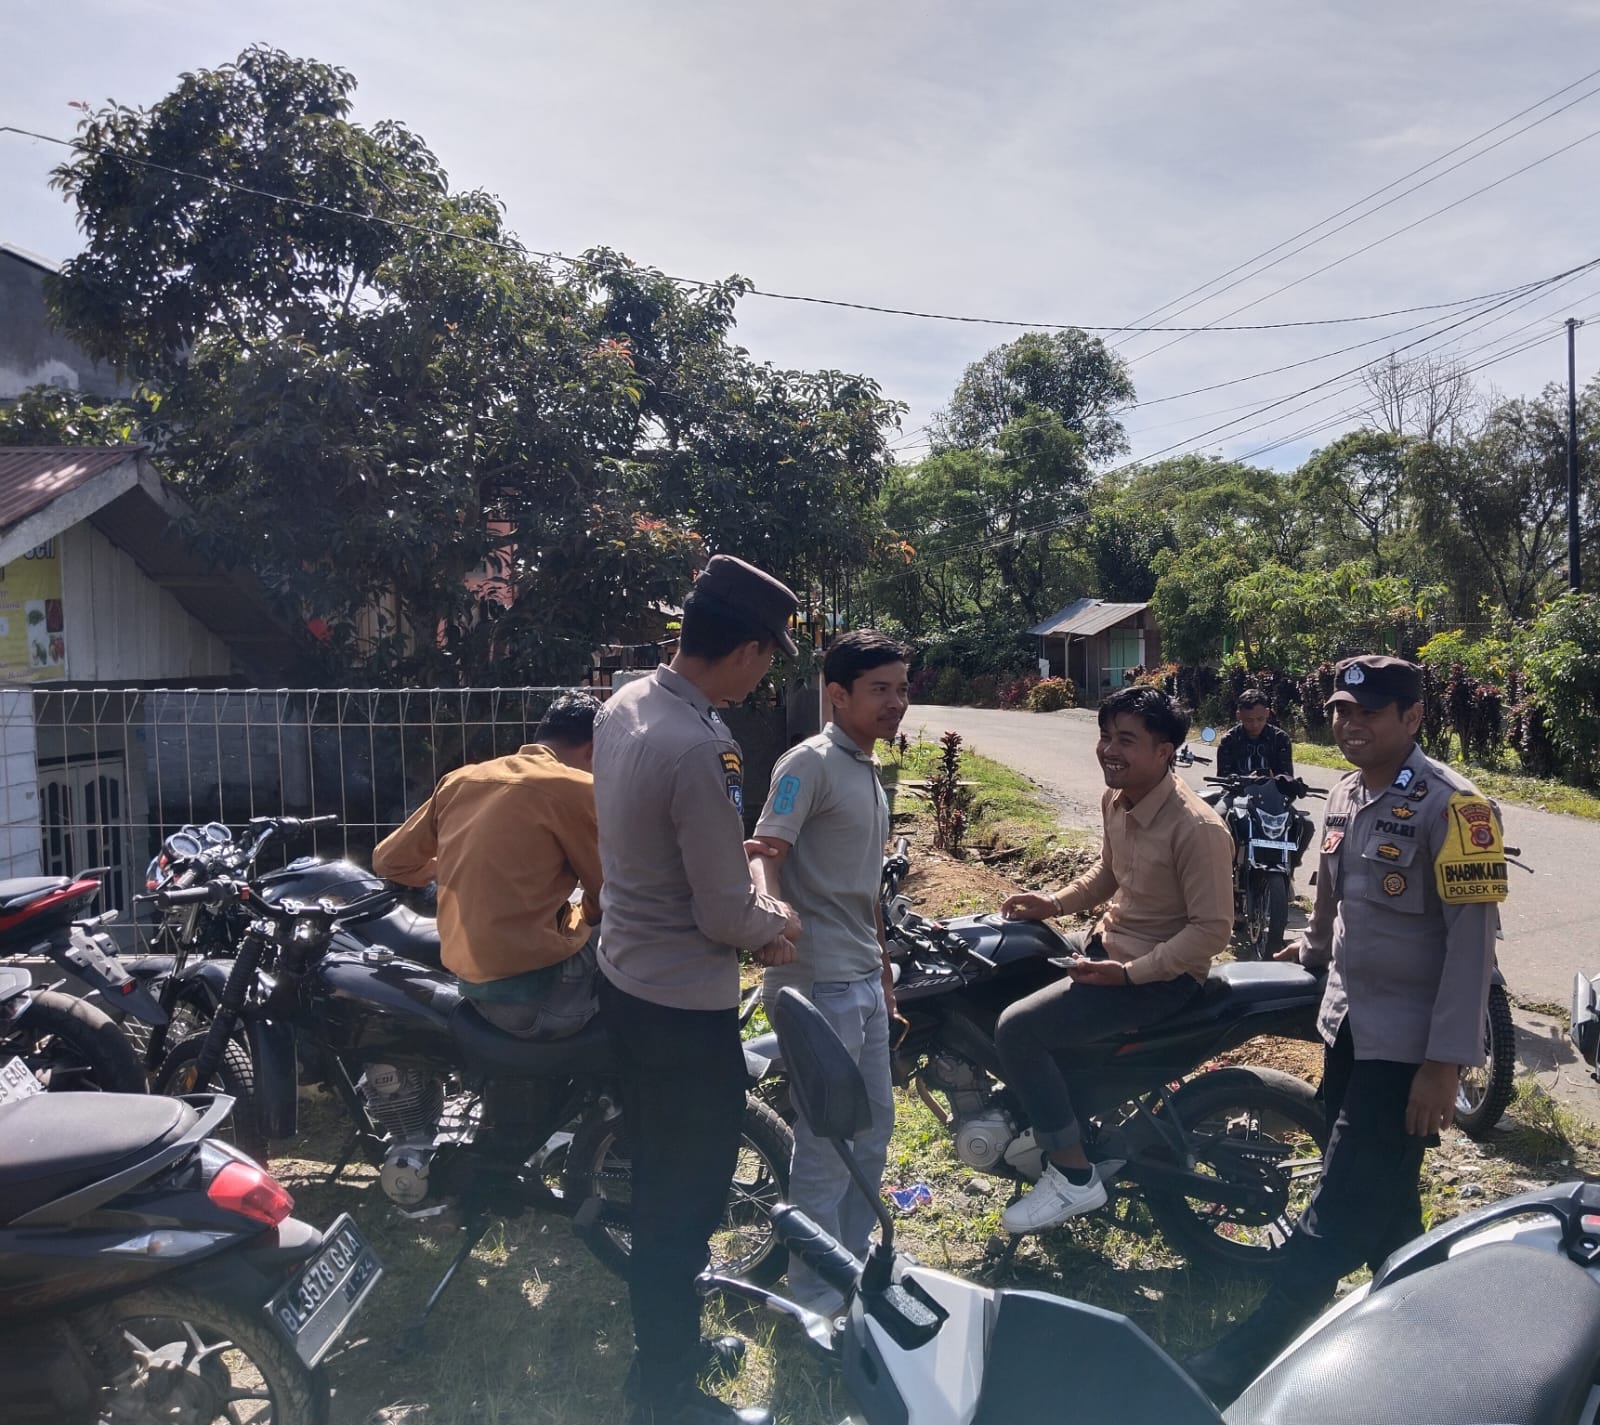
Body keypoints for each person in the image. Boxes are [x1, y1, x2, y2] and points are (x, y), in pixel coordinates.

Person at [1183, 655, 1506, 1406]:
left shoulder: (1459, 809)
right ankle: (1434, 1338)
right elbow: (1334, 902)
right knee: (1386, 1202)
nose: (1349, 724)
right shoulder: (1345, 792)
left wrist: (1445, 1065)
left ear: (1412, 716)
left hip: (1409, 1049)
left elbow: (1473, 950)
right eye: (1339, 710)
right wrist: (1310, 949)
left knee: (1336, 1203)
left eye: (1369, 712)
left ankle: (1247, 1354)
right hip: (1349, 1028)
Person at [592, 554, 802, 1425]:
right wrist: (775, 918)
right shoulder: (701, 745)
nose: (766, 672)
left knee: (656, 1180)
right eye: (770, 655)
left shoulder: (626, 704)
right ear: (749, 649)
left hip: (625, 976)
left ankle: (669, 1348)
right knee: (683, 1203)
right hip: (683, 1009)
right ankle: (664, 1391)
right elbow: (724, 913)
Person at [994, 686, 1234, 1233]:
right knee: (1007, 971)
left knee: (1018, 1030)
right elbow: (1109, 873)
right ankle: (1066, 1126)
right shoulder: (1117, 799)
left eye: (1126, 740)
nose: (1109, 750)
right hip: (1110, 949)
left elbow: (1211, 931)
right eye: (1105, 736)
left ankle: (1073, 1175)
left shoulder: (1197, 829)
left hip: (1161, 979)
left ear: (1165, 751)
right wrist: (1052, 902)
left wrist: (1126, 975)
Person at [748, 629, 909, 1319]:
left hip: (862, 979)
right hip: (819, 986)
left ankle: (851, 1261)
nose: (896, 702)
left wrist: (886, 982)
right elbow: (764, 849)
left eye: (902, 688)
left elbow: (866, 892)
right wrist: (773, 916)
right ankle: (813, 1295)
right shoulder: (808, 762)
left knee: (873, 1130)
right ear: (837, 694)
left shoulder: (865, 767)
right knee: (825, 1143)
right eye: (880, 689)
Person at [372, 691, 603, 1040]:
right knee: (629, 921)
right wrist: (585, 914)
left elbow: (388, 861)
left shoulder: (462, 779)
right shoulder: (578, 787)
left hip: (472, 988)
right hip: (543, 1000)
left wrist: (444, 866)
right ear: (592, 750)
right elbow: (607, 894)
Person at [1216, 688, 1295, 779]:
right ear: (1239, 715)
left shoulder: (1280, 738)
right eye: (1249, 720)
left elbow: (1287, 776)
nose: (1255, 725)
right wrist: (1245, 779)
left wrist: (1275, 779)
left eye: (1260, 719)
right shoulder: (1229, 740)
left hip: (1273, 787)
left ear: (1267, 713)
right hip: (1239, 787)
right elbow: (1222, 777)